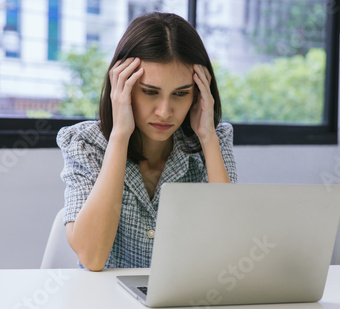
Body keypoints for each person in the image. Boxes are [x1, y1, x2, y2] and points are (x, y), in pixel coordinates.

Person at [57, 12, 237, 271]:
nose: (165, 111)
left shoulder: (214, 142)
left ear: (198, 96)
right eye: (150, 92)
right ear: (123, 88)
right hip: (105, 306)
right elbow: (92, 258)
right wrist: (119, 134)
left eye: (181, 94)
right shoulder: (85, 144)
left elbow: (230, 248)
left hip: (187, 304)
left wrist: (207, 137)